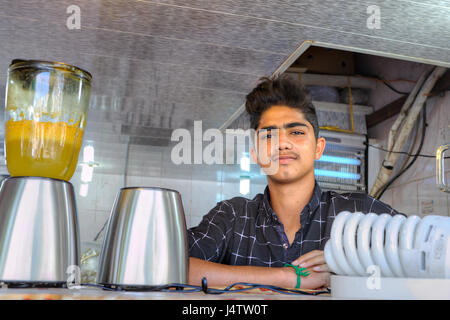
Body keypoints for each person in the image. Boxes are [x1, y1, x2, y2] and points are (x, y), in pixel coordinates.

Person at [187, 75, 402, 289]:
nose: (283, 144)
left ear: (319, 147)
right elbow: (170, 265)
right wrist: (289, 277)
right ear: (255, 154)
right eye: (269, 136)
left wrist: (349, 265)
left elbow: (426, 257)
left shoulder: (360, 212)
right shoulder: (232, 216)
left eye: (296, 132)